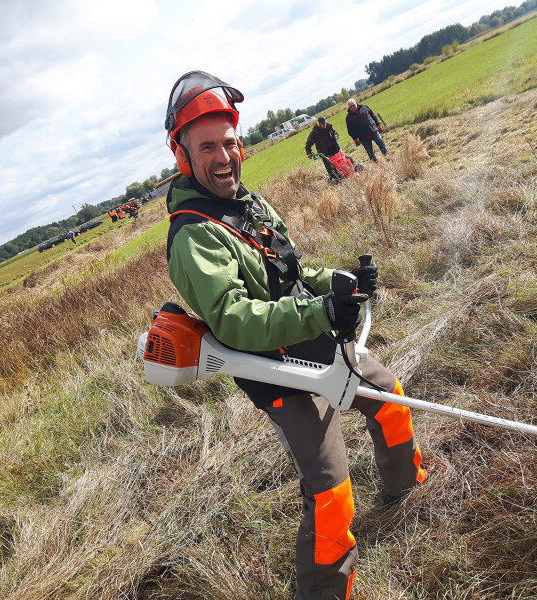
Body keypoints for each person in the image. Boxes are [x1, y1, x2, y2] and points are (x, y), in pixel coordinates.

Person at [162, 71, 426, 600]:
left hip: (313, 340)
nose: (223, 156)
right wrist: (321, 312)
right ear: (183, 155)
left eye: (230, 142)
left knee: (391, 398)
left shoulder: (248, 206)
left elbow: (294, 276)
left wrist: (342, 285)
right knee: (331, 488)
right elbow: (236, 320)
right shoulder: (193, 235)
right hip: (273, 371)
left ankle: (406, 490)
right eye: (207, 146)